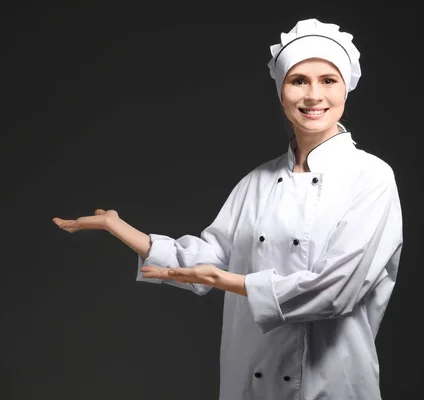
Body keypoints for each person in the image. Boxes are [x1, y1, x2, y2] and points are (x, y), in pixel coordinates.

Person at [53, 18, 403, 400]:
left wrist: (230, 282)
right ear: (280, 89)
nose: (313, 95)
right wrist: (117, 227)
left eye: (328, 80)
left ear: (347, 87)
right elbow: (209, 258)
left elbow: (335, 292)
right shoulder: (257, 181)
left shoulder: (371, 178)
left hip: (332, 383)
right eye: (298, 80)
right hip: (250, 379)